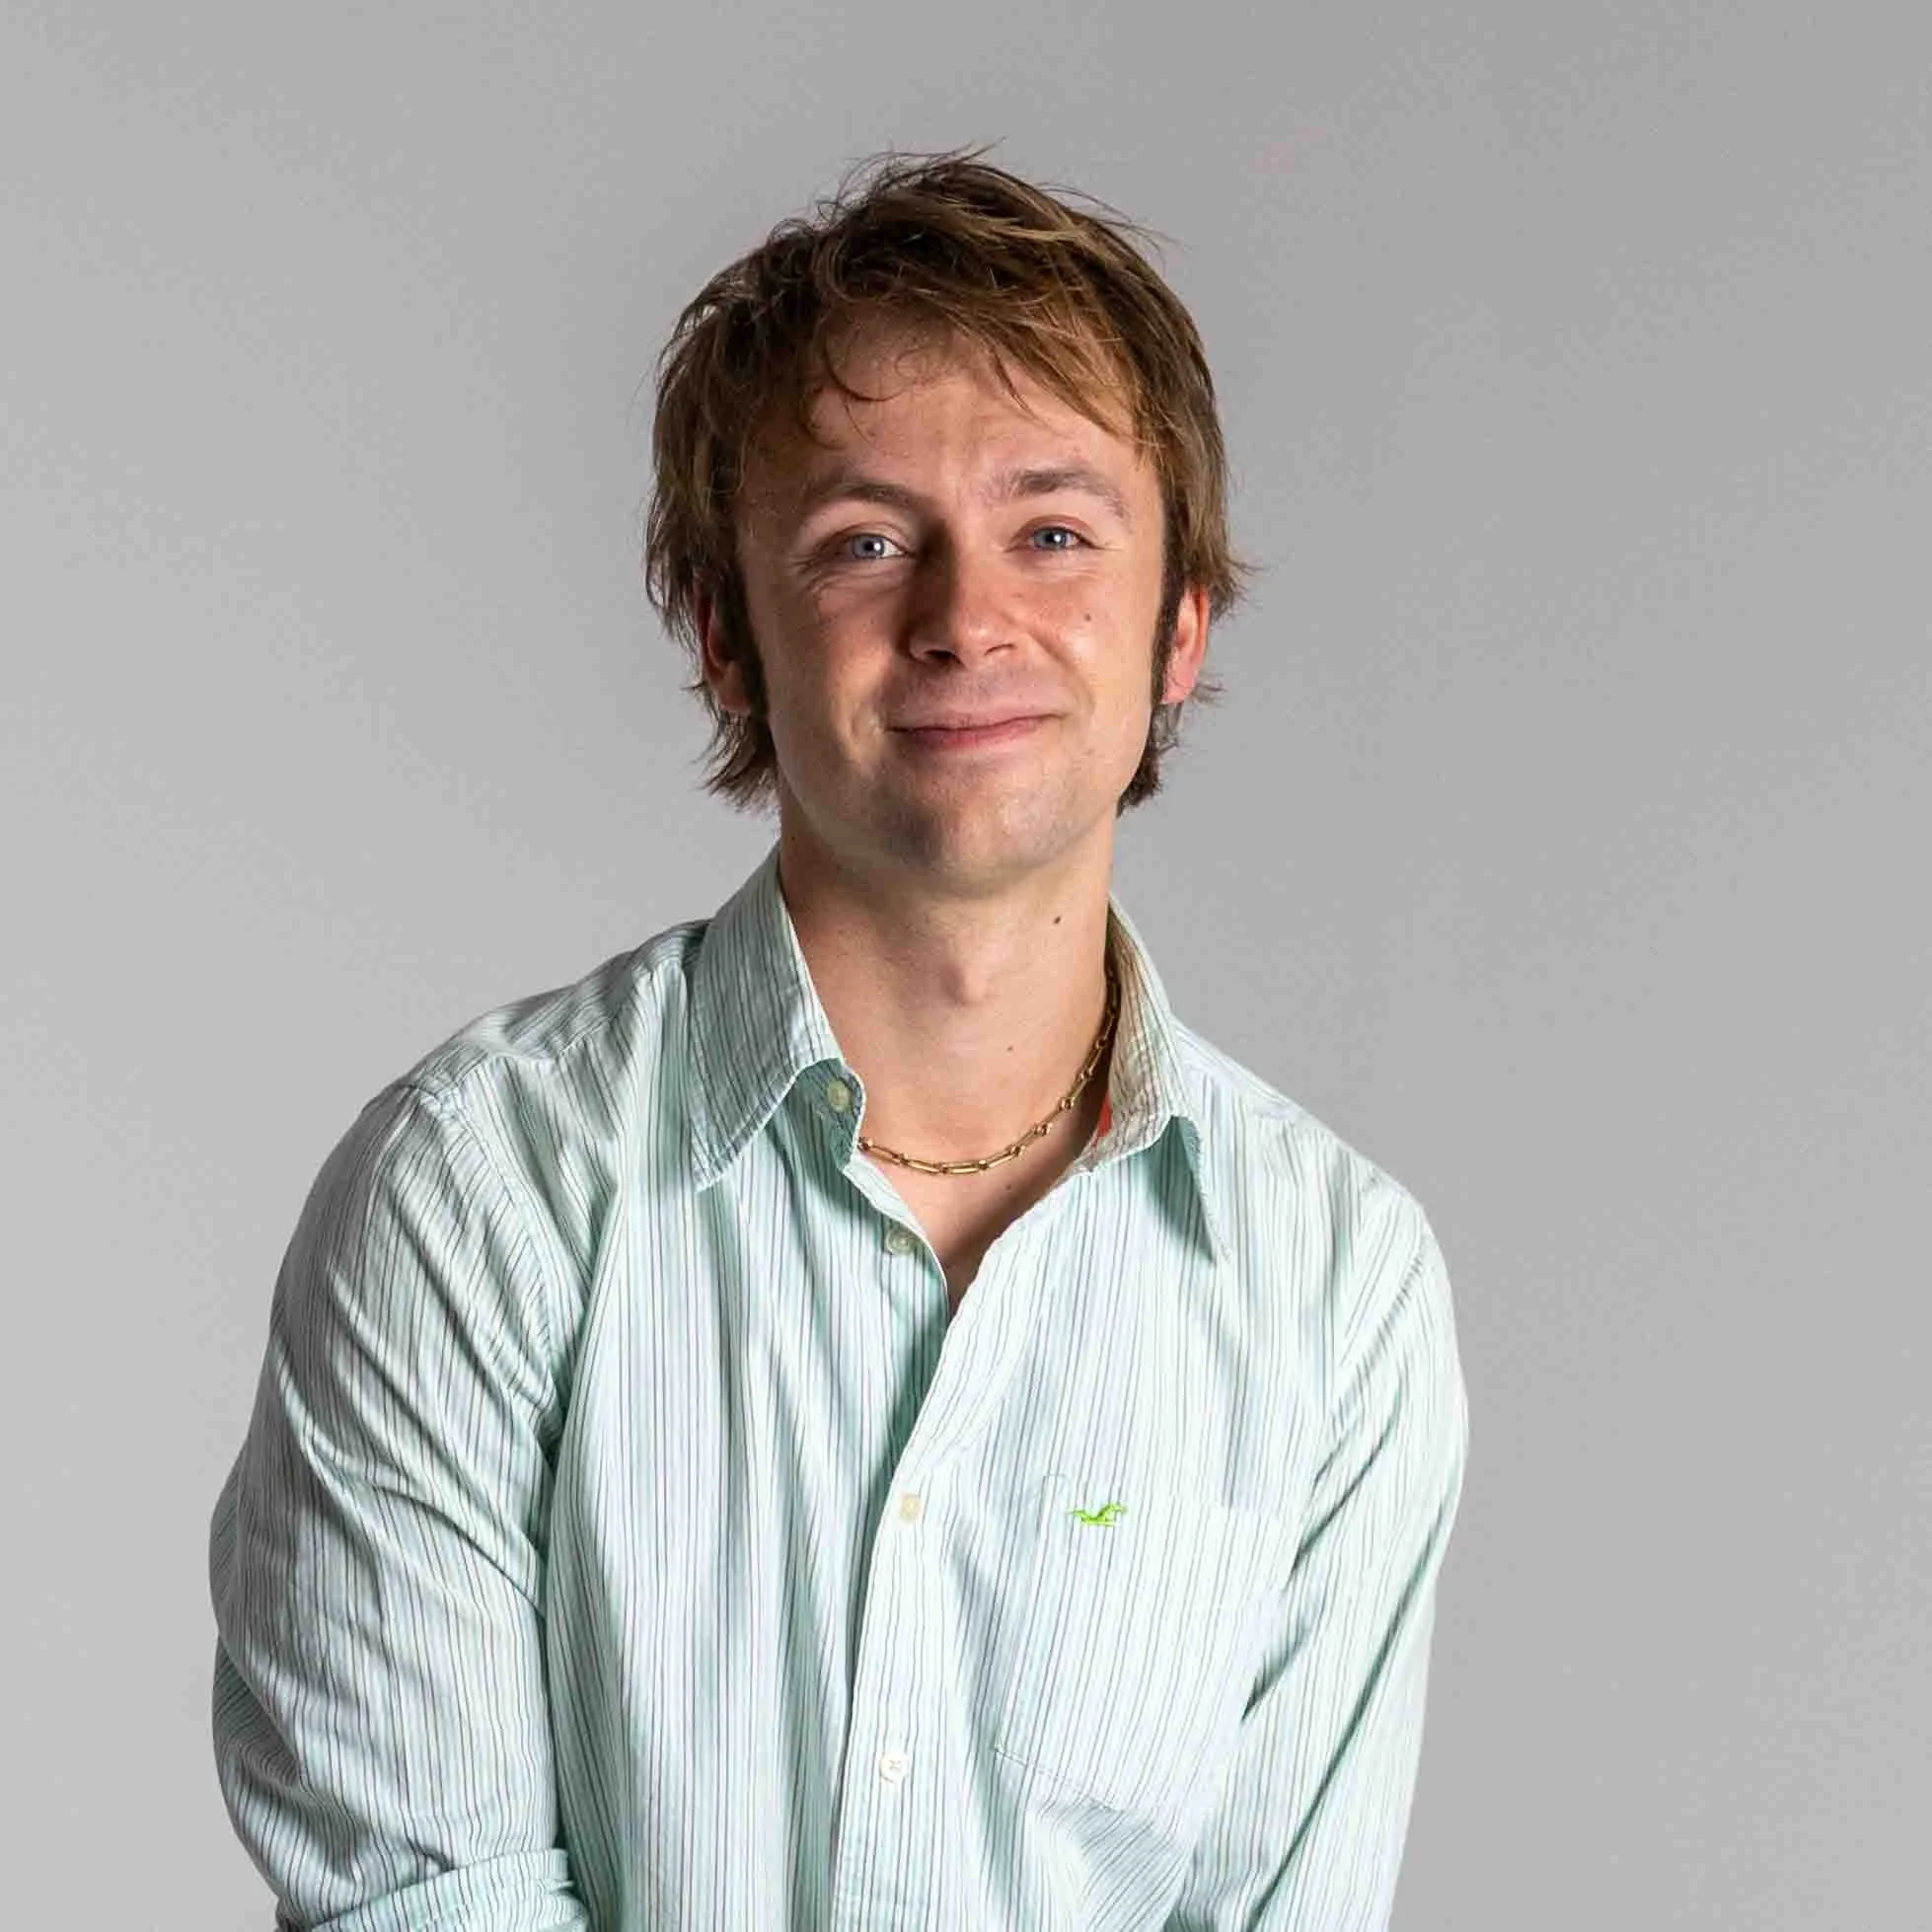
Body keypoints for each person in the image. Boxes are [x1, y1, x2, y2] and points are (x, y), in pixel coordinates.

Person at [208, 147, 1470, 1932]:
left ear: (1179, 626)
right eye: (864, 542)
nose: (967, 617)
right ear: (729, 637)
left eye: (1055, 531)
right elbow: (426, 1906)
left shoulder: (1338, 1286)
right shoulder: (474, 1199)